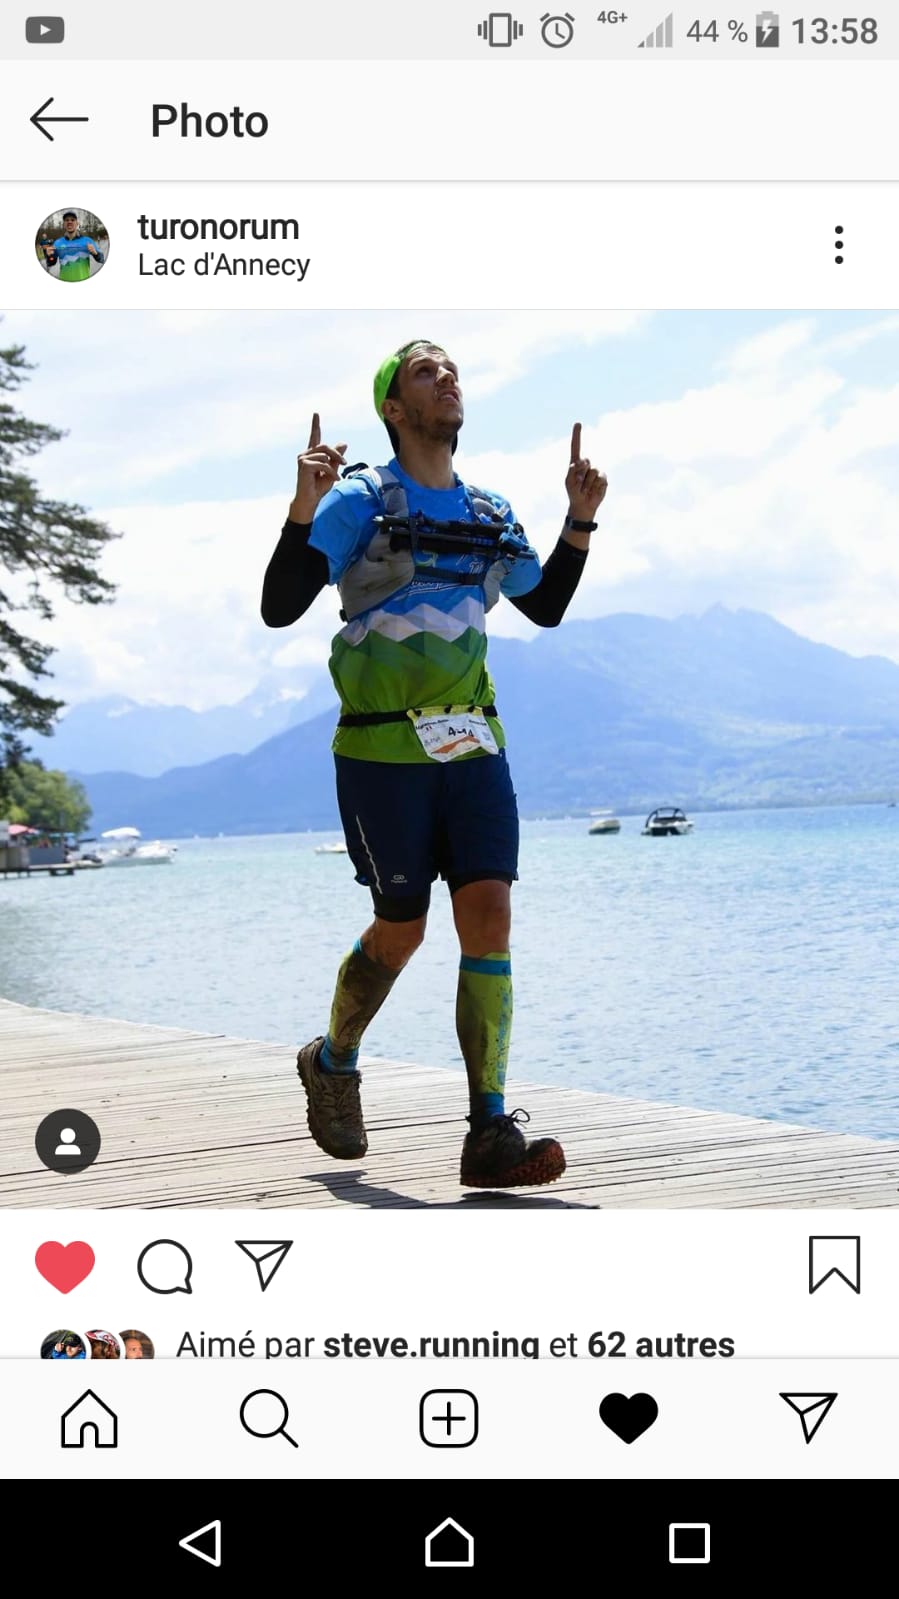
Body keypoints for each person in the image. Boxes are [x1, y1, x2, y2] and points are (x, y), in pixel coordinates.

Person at [261, 340, 607, 1188]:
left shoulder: (488, 508)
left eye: (450, 368)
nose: (445, 378)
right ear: (393, 407)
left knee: (489, 914)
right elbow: (279, 606)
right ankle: (332, 1061)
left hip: (474, 744)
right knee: (402, 929)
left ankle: (489, 1131)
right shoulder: (358, 500)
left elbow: (543, 604)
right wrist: (302, 510)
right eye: (424, 371)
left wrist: (578, 521)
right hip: (382, 750)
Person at [45, 211, 104, 281]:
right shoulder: (57, 243)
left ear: (77, 223)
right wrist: (49, 256)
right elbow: (51, 263)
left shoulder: (87, 241)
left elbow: (101, 259)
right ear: (63, 224)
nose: (69, 222)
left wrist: (95, 253)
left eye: (72, 220)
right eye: (67, 220)